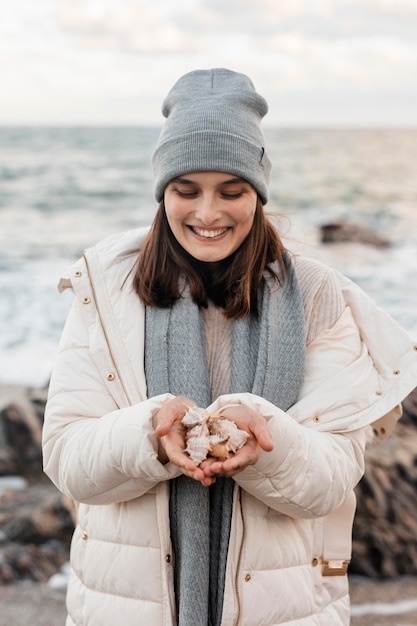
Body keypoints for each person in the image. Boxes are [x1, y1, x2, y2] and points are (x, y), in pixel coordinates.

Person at [42, 68, 417, 626]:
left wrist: (266, 438)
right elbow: (68, 457)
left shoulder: (317, 296)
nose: (208, 213)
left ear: (259, 193)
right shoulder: (106, 292)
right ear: (162, 192)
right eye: (185, 190)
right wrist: (149, 434)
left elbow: (333, 475)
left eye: (232, 191)